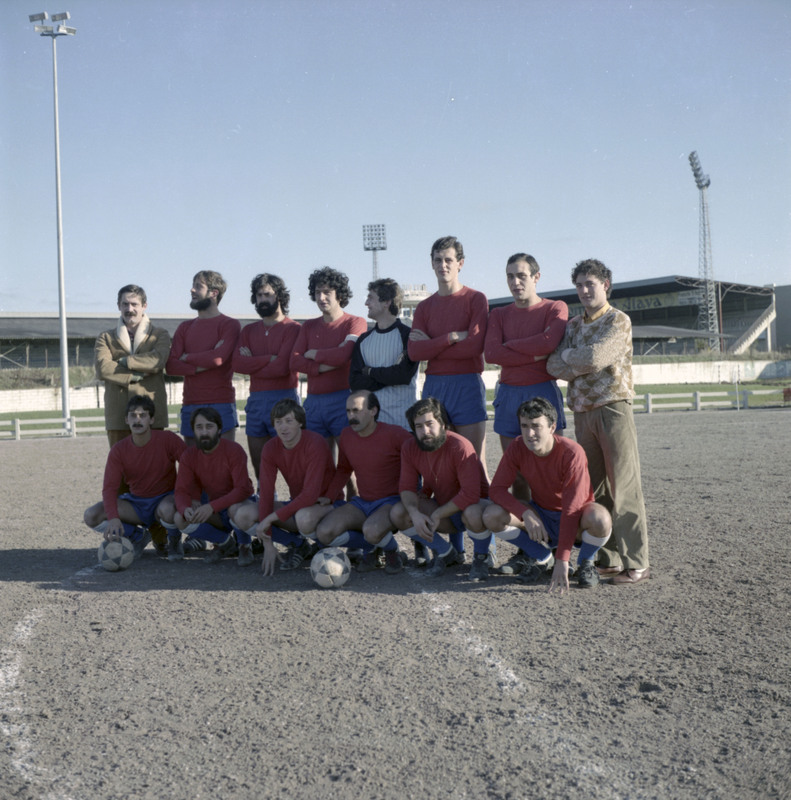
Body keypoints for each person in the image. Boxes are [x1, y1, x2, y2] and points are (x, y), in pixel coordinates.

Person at [546, 258, 650, 585]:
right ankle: (609, 558)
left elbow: (596, 357)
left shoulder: (618, 320)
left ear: (605, 285)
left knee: (624, 486)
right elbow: (552, 366)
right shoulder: (573, 326)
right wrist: (573, 360)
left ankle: (637, 562)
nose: (584, 290)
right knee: (595, 489)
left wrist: (571, 358)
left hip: (613, 408)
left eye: (590, 283)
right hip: (582, 411)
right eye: (579, 285)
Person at [483, 397, 612, 593]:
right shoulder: (517, 446)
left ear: (552, 427)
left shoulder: (572, 452)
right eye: (524, 426)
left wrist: (563, 559)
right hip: (541, 515)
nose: (529, 433)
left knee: (600, 518)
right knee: (491, 515)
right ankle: (542, 556)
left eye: (536, 426)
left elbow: (572, 509)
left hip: (576, 519)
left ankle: (586, 562)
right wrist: (525, 513)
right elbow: (496, 489)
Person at [231, 398, 342, 576]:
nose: (283, 427)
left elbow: (310, 495)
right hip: (298, 506)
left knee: (304, 518)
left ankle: (323, 545)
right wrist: (268, 541)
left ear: (300, 422)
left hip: (326, 506)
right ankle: (298, 545)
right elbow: (266, 494)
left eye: (289, 421)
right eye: (279, 422)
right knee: (243, 515)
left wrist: (269, 519)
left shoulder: (316, 442)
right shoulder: (270, 448)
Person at [390, 397, 491, 580]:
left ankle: (481, 557)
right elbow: (406, 487)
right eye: (419, 426)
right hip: (446, 510)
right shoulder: (410, 447)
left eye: (430, 424)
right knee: (399, 512)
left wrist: (437, 514)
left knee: (472, 512)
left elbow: (471, 494)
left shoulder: (460, 446)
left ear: (443, 424)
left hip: (474, 511)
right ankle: (445, 552)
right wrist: (414, 512)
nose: (425, 431)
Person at [407, 236, 489, 462]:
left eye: (448, 260)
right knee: (436, 459)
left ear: (460, 263)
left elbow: (474, 347)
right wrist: (449, 338)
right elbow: (415, 352)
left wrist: (431, 344)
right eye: (438, 260)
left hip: (467, 383)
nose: (442, 265)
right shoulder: (424, 307)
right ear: (431, 263)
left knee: (472, 459)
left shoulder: (475, 299)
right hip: (434, 385)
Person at [313, 390, 411, 573]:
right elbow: (344, 468)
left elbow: (419, 458)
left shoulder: (395, 434)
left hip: (390, 503)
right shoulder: (346, 435)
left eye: (356, 410)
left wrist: (420, 491)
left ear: (373, 411)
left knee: (371, 530)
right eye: (348, 411)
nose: (351, 416)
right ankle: (372, 547)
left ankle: (392, 551)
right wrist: (329, 495)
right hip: (363, 503)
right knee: (324, 533)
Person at [485, 253, 568, 453]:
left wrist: (509, 345)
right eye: (510, 276)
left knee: (550, 461)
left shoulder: (554, 307)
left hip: (543, 390)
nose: (515, 282)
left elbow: (548, 343)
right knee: (514, 464)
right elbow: (492, 354)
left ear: (536, 277)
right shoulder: (498, 314)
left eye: (521, 276)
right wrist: (534, 355)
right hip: (509, 392)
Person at [83, 396, 185, 559]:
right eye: (133, 415)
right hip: (136, 504)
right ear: (126, 419)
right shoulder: (118, 450)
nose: (137, 420)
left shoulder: (168, 439)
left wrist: (184, 495)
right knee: (91, 515)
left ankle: (174, 540)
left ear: (151, 419)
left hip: (165, 501)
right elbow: (109, 488)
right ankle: (138, 536)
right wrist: (113, 518)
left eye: (143, 415)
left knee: (168, 509)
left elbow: (190, 466)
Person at [232, 273, 301, 480]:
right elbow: (237, 364)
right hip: (256, 401)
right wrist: (269, 358)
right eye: (259, 295)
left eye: (267, 294)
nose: (262, 299)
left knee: (291, 461)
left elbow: (282, 368)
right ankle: (266, 496)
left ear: (279, 296)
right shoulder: (248, 330)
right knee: (259, 462)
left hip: (284, 398)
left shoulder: (293, 329)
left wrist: (253, 362)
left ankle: (297, 497)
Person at [290, 267, 367, 448]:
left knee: (348, 459)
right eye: (317, 292)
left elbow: (345, 355)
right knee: (319, 460)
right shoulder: (308, 326)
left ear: (339, 294)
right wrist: (321, 367)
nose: (321, 297)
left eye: (327, 292)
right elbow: (294, 361)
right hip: (314, 402)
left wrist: (314, 354)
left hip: (343, 399)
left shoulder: (355, 322)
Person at [170, 407, 256, 566]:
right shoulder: (189, 455)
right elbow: (181, 490)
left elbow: (242, 489)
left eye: (209, 426)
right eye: (199, 427)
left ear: (219, 429)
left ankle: (245, 546)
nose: (204, 432)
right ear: (193, 430)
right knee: (179, 518)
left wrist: (211, 507)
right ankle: (225, 543)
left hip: (240, 504)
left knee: (234, 509)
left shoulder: (234, 450)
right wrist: (184, 509)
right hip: (215, 508)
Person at [166, 271, 241, 445]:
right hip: (191, 403)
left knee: (224, 457)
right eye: (193, 286)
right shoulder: (184, 327)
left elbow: (218, 359)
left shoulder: (230, 324)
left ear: (213, 293)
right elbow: (171, 366)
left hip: (221, 402)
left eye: (198, 286)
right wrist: (200, 365)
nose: (192, 290)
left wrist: (186, 357)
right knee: (193, 459)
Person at [94, 284, 171, 447]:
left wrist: (125, 361)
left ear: (144, 306)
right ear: (118, 306)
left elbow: (158, 360)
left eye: (134, 304)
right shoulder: (105, 337)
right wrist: (135, 375)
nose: (130, 309)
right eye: (125, 304)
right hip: (118, 416)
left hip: (152, 413)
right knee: (121, 461)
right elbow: (102, 368)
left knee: (154, 460)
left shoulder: (160, 334)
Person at [349, 278, 418, 429]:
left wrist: (370, 372)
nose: (366, 303)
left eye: (371, 298)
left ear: (387, 302)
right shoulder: (363, 340)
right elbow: (355, 382)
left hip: (403, 425)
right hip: (373, 427)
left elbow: (403, 375)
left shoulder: (408, 336)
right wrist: (390, 376)